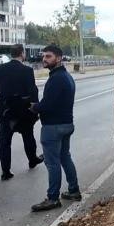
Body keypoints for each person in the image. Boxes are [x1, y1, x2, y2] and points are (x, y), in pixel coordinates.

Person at [29, 45, 80, 212]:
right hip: (67, 124)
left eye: (48, 56)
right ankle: (73, 190)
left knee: (52, 163)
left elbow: (48, 105)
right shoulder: (66, 76)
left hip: (53, 127)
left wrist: (35, 107)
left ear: (58, 58)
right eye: (44, 56)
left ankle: (52, 198)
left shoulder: (56, 79)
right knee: (65, 157)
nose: (44, 59)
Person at [0, 44, 42, 181]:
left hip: (5, 109)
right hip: (23, 109)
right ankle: (32, 160)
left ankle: (5, 171)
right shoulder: (27, 70)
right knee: (28, 136)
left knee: (4, 141)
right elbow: (32, 91)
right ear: (22, 53)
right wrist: (35, 108)